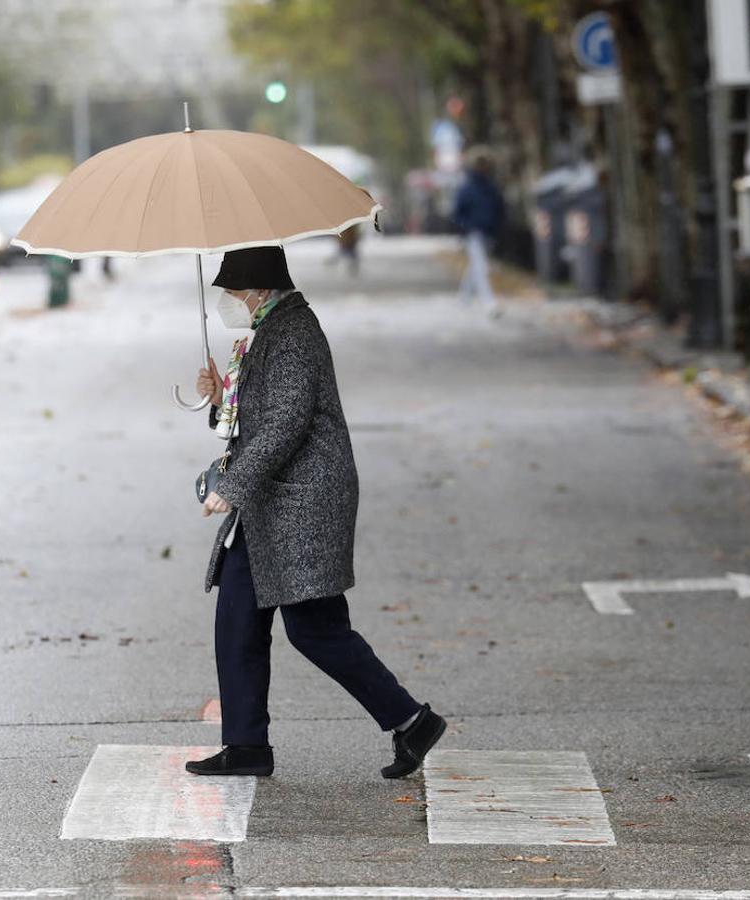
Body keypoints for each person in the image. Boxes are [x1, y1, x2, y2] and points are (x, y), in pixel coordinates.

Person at [188, 245, 446, 779]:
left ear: (259, 290)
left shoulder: (295, 333)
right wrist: (218, 400)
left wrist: (232, 486)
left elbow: (285, 424)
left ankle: (410, 720)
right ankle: (246, 746)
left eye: (233, 293)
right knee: (237, 622)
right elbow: (251, 421)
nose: (229, 304)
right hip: (269, 504)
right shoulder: (269, 332)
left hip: (303, 503)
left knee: (316, 630)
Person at [452, 147, 505, 317]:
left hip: (488, 232)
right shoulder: (467, 188)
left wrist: (498, 227)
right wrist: (464, 229)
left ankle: (464, 297)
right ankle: (489, 302)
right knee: (481, 266)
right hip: (472, 233)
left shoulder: (491, 187)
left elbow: (500, 209)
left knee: (476, 266)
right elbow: (458, 212)